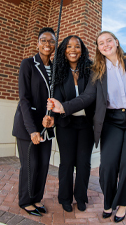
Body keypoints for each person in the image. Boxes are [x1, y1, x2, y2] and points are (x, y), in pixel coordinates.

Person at [47, 31, 126, 223]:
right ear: (98, 48)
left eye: (109, 40)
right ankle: (109, 201)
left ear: (116, 42)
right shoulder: (98, 69)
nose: (106, 44)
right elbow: (87, 97)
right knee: (107, 167)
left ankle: (122, 204)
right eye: (101, 43)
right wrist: (63, 107)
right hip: (112, 121)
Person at [44, 35, 95, 212]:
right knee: (66, 162)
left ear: (82, 50)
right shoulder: (59, 71)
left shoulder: (90, 70)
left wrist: (65, 106)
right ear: (64, 50)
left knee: (83, 163)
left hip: (86, 123)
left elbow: (90, 98)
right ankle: (65, 197)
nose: (73, 50)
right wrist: (52, 114)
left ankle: (81, 197)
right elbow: (56, 99)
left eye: (77, 46)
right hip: (66, 123)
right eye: (69, 46)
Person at [12, 27, 56, 217]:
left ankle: (37, 198)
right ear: (37, 43)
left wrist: (53, 118)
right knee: (30, 164)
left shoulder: (55, 70)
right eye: (43, 40)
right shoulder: (28, 64)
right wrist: (32, 130)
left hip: (47, 127)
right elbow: (24, 99)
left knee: (44, 164)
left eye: (51, 41)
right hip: (27, 126)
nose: (47, 44)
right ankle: (25, 201)